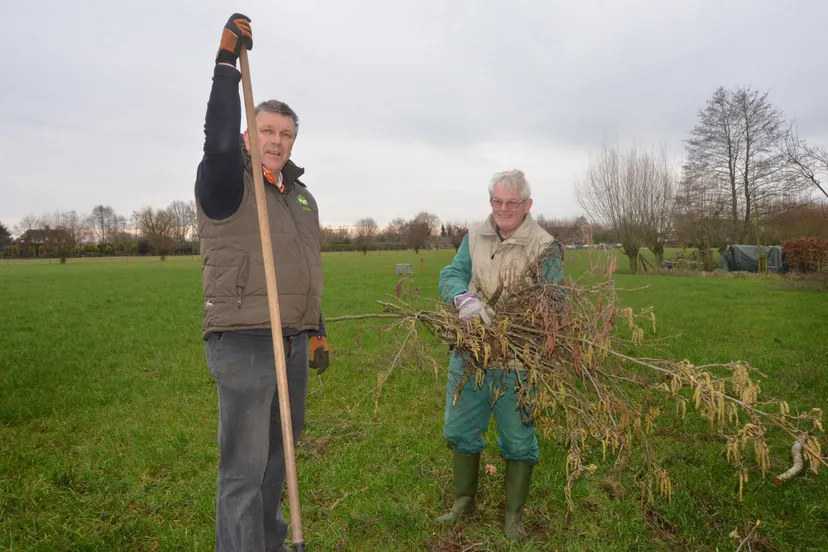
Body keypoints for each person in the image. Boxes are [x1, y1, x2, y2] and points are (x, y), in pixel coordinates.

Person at [194, 13, 329, 552]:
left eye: (286, 134)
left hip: (292, 340)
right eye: (267, 131)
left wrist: (316, 328)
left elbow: (304, 268)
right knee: (244, 470)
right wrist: (226, 65)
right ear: (249, 135)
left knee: (279, 461)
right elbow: (218, 139)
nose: (277, 140)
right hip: (245, 340)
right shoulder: (227, 180)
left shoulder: (300, 197)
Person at [436, 169, 564, 542]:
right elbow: (451, 274)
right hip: (471, 353)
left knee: (518, 439)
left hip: (518, 360)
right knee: (460, 429)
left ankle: (513, 518)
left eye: (511, 202)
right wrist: (463, 298)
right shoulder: (474, 236)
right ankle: (463, 504)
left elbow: (555, 299)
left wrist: (523, 320)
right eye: (497, 201)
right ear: (490, 201)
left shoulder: (545, 245)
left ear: (527, 204)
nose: (503, 209)